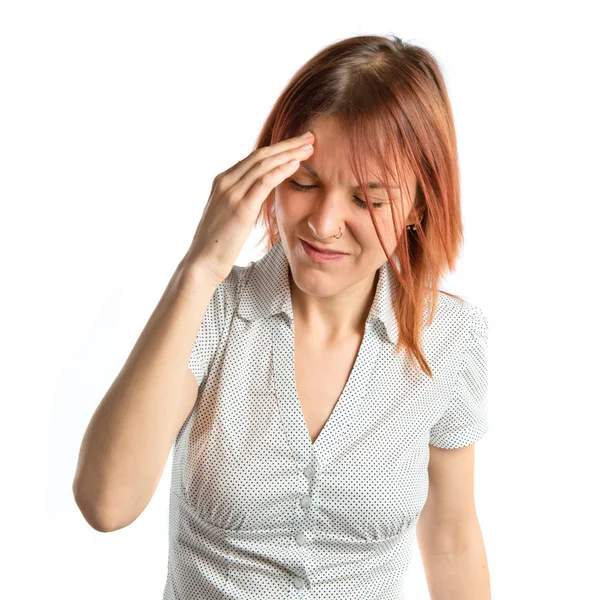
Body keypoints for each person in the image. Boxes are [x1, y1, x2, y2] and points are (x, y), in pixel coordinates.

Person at [73, 34, 491, 599]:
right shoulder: (213, 312)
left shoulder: (451, 338)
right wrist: (200, 267)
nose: (323, 223)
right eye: (304, 182)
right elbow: (106, 503)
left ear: (418, 203)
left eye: (367, 199)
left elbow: (451, 536)